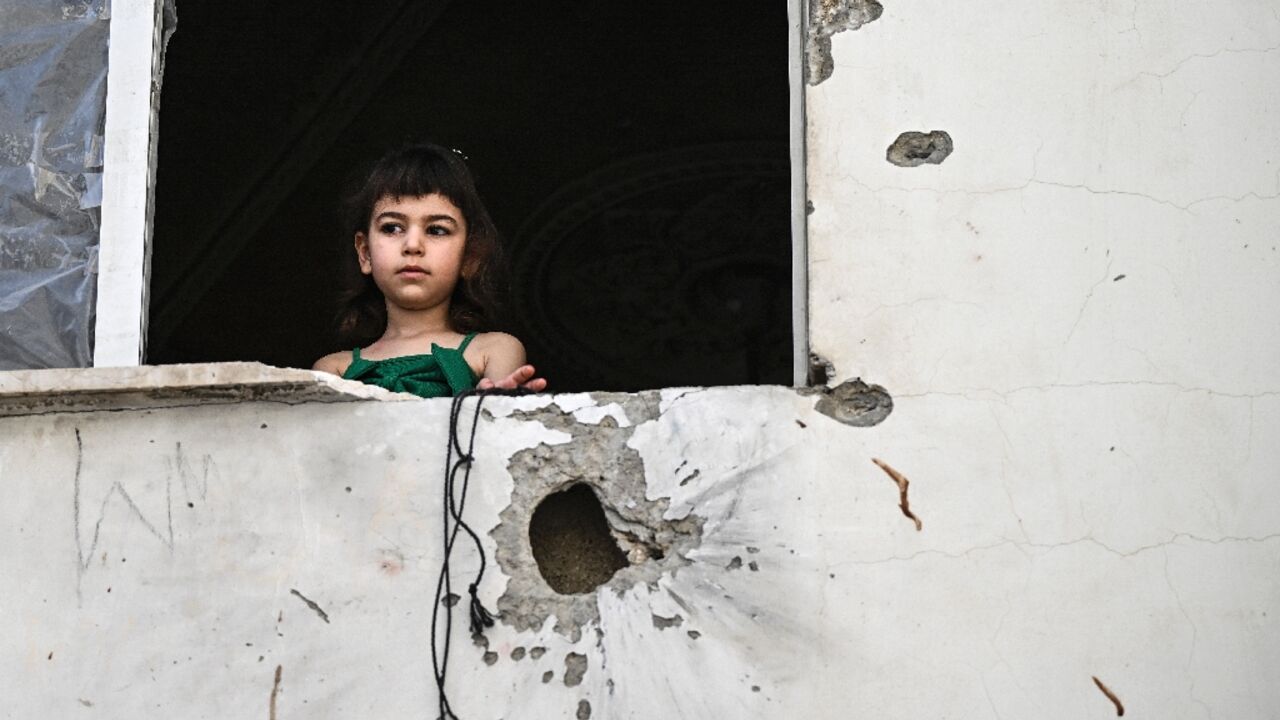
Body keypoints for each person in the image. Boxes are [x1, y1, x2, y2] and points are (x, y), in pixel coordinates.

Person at [312, 143, 546, 397]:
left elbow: (487, 430)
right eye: (392, 228)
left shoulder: (494, 350)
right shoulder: (333, 369)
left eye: (436, 230)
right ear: (365, 253)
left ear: (470, 257)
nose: (412, 245)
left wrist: (494, 407)